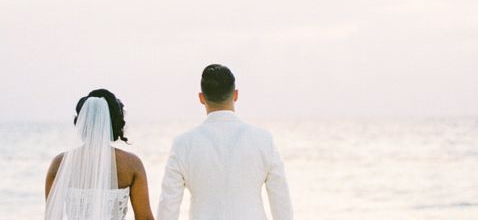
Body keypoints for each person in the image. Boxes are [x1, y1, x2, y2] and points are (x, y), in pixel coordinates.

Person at [157, 64, 293, 220]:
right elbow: (280, 200)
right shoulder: (263, 139)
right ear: (236, 95)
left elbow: (168, 206)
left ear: (201, 98)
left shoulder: (183, 144)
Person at [45, 89, 155, 220]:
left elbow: (51, 216)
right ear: (114, 123)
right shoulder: (132, 164)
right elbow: (145, 218)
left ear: (81, 122)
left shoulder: (60, 163)